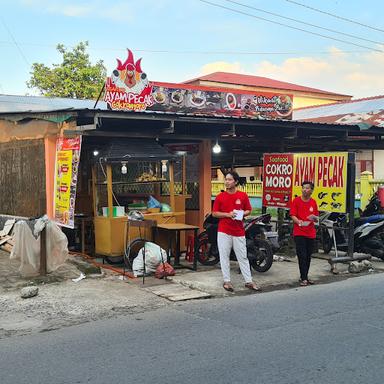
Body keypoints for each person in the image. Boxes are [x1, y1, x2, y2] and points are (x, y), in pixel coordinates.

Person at [212, 171, 260, 292]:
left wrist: (243, 213)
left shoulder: (243, 196)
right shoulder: (220, 197)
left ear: (236, 182)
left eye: (229, 180)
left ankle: (249, 281)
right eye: (226, 179)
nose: (227, 182)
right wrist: (227, 214)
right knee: (224, 256)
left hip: (239, 231)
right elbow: (214, 213)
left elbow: (249, 210)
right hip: (224, 230)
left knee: (243, 257)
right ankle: (227, 281)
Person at [290, 181, 319, 286]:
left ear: (311, 190)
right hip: (299, 232)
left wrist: (314, 218)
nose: (305, 190)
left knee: (308, 255)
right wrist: (299, 222)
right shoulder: (296, 201)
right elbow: (292, 214)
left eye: (307, 188)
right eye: (303, 188)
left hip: (310, 232)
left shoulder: (313, 202)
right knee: (301, 255)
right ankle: (303, 278)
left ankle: (305, 276)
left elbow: (316, 217)